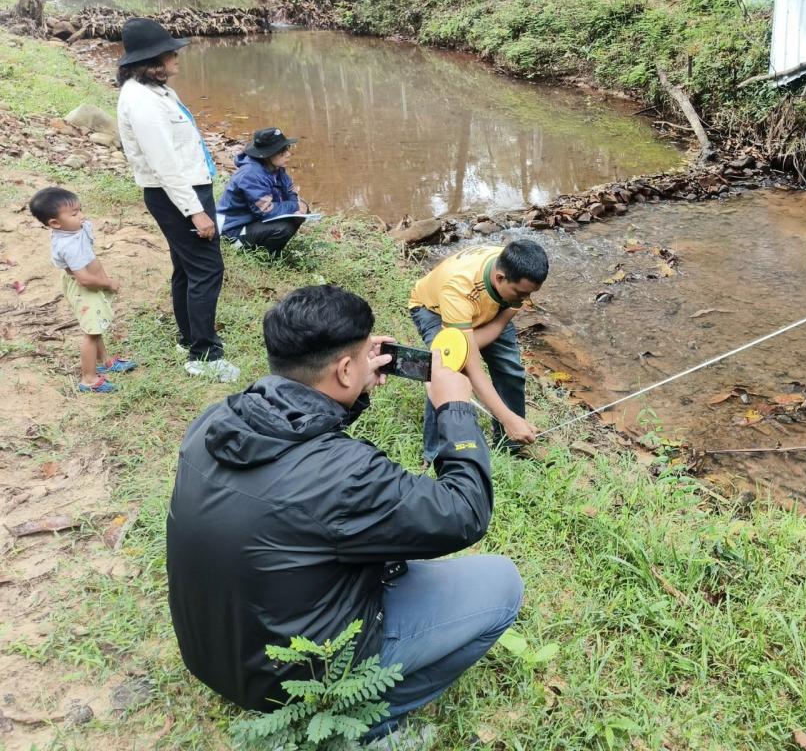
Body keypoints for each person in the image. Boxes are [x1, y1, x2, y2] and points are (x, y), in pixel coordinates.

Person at [166, 285, 521, 740]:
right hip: (290, 683)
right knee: (502, 584)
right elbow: (464, 512)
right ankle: (371, 721)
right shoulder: (347, 475)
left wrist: (349, 392)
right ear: (345, 368)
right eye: (359, 356)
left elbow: (297, 438)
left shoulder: (215, 419)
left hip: (210, 653)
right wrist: (454, 410)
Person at [115, 17, 238, 382]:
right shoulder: (142, 102)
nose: (176, 58)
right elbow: (164, 165)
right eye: (170, 53)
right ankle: (204, 354)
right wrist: (195, 212)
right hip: (177, 194)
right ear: (152, 60)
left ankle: (189, 338)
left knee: (187, 267)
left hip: (185, 189)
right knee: (207, 269)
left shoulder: (155, 91)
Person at [408, 240, 547, 459]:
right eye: (521, 294)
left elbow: (498, 326)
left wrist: (467, 345)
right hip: (435, 310)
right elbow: (471, 367)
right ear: (499, 278)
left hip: (490, 309)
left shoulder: (517, 275)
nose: (526, 300)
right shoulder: (458, 288)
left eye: (530, 294)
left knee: (510, 369)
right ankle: (435, 455)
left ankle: (512, 443)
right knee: (447, 373)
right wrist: (505, 417)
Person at [28, 186, 136, 393]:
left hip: (92, 286)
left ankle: (104, 360)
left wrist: (79, 220)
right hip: (86, 290)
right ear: (55, 223)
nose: (82, 216)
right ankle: (89, 379)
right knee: (91, 333)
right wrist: (108, 283)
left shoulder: (72, 229)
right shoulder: (68, 245)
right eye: (74, 214)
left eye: (80, 210)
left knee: (96, 327)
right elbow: (85, 280)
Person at [217, 126, 309, 256]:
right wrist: (295, 206)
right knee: (283, 228)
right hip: (234, 230)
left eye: (287, 149)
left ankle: (273, 252)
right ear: (267, 154)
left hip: (253, 221)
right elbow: (266, 211)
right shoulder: (251, 174)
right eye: (282, 151)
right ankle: (263, 258)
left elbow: (290, 190)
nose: (288, 154)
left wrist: (299, 206)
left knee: (301, 211)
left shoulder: (276, 168)